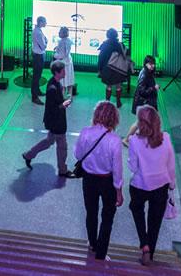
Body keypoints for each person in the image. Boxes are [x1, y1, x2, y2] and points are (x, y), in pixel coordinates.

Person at [74, 101, 123, 261]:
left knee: (91, 212)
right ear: (114, 118)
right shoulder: (114, 140)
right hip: (106, 181)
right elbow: (117, 169)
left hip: (88, 179)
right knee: (107, 216)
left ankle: (93, 243)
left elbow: (78, 155)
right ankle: (101, 254)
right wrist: (119, 190)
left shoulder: (85, 132)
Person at [128, 106, 176, 266]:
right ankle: (151, 253)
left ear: (140, 123)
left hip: (140, 186)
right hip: (161, 186)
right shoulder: (166, 138)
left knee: (137, 211)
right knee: (154, 223)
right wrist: (172, 184)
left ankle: (145, 245)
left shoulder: (134, 141)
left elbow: (133, 168)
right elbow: (171, 165)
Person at [22, 61, 75, 178]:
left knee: (49, 141)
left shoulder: (55, 83)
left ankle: (28, 155)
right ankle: (62, 170)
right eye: (63, 71)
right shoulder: (52, 88)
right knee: (62, 146)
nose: (65, 72)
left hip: (54, 121)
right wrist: (64, 104)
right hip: (57, 122)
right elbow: (53, 108)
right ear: (57, 73)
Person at [125, 56, 159, 145]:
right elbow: (142, 91)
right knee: (139, 122)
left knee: (146, 122)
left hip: (146, 103)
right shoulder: (144, 75)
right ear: (145, 64)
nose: (152, 66)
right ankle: (126, 139)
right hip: (143, 103)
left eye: (153, 64)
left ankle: (140, 137)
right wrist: (153, 88)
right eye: (150, 64)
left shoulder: (147, 72)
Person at [98, 28, 126, 108]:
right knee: (118, 86)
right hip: (118, 68)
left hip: (107, 69)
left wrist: (99, 69)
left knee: (109, 86)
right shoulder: (120, 45)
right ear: (116, 35)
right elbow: (124, 57)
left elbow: (101, 57)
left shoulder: (105, 44)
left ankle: (107, 102)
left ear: (107, 35)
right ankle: (118, 101)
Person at [53, 26, 74, 98]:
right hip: (68, 62)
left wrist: (55, 55)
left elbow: (63, 54)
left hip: (63, 63)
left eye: (60, 32)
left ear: (64, 33)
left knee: (63, 82)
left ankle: (62, 98)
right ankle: (69, 97)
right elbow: (66, 52)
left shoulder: (62, 41)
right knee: (69, 81)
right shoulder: (68, 40)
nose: (58, 33)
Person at [31, 16, 47, 105]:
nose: (46, 23)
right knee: (36, 77)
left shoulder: (37, 30)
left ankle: (37, 91)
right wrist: (46, 42)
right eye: (45, 22)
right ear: (40, 22)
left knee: (38, 75)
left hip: (37, 54)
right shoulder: (38, 33)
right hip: (38, 56)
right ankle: (34, 97)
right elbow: (43, 46)